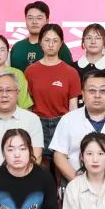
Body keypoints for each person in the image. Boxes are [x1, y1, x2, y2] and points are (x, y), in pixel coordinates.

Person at [24, 23, 82, 166]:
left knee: (62, 167)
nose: (51, 44)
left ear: (61, 43)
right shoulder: (30, 71)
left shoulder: (71, 72)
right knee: (38, 167)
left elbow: (73, 106)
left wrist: (73, 129)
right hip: (38, 124)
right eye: (47, 40)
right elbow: (28, 104)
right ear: (40, 42)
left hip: (62, 123)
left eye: (55, 41)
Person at [0, 73, 44, 179]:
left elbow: (36, 155)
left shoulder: (32, 120)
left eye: (9, 90)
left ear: (17, 93)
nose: (4, 95)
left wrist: (22, 181)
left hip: (26, 181)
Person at [10, 1, 73, 72]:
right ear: (25, 20)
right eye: (30, 18)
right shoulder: (17, 47)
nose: (34, 22)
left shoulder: (57, 46)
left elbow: (69, 73)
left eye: (39, 18)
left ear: (47, 20)